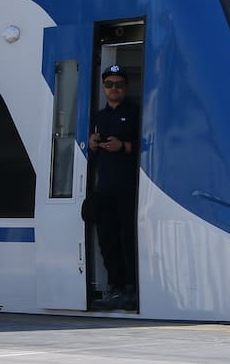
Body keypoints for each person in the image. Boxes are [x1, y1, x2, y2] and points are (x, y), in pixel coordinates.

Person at [87, 64, 140, 310]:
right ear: (103, 87)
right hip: (104, 188)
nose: (114, 88)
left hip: (129, 188)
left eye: (118, 84)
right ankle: (114, 288)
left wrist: (124, 146)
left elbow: (147, 145)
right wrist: (92, 144)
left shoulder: (136, 113)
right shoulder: (98, 117)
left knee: (128, 239)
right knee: (107, 241)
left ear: (126, 87)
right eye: (109, 84)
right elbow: (88, 154)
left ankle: (132, 289)